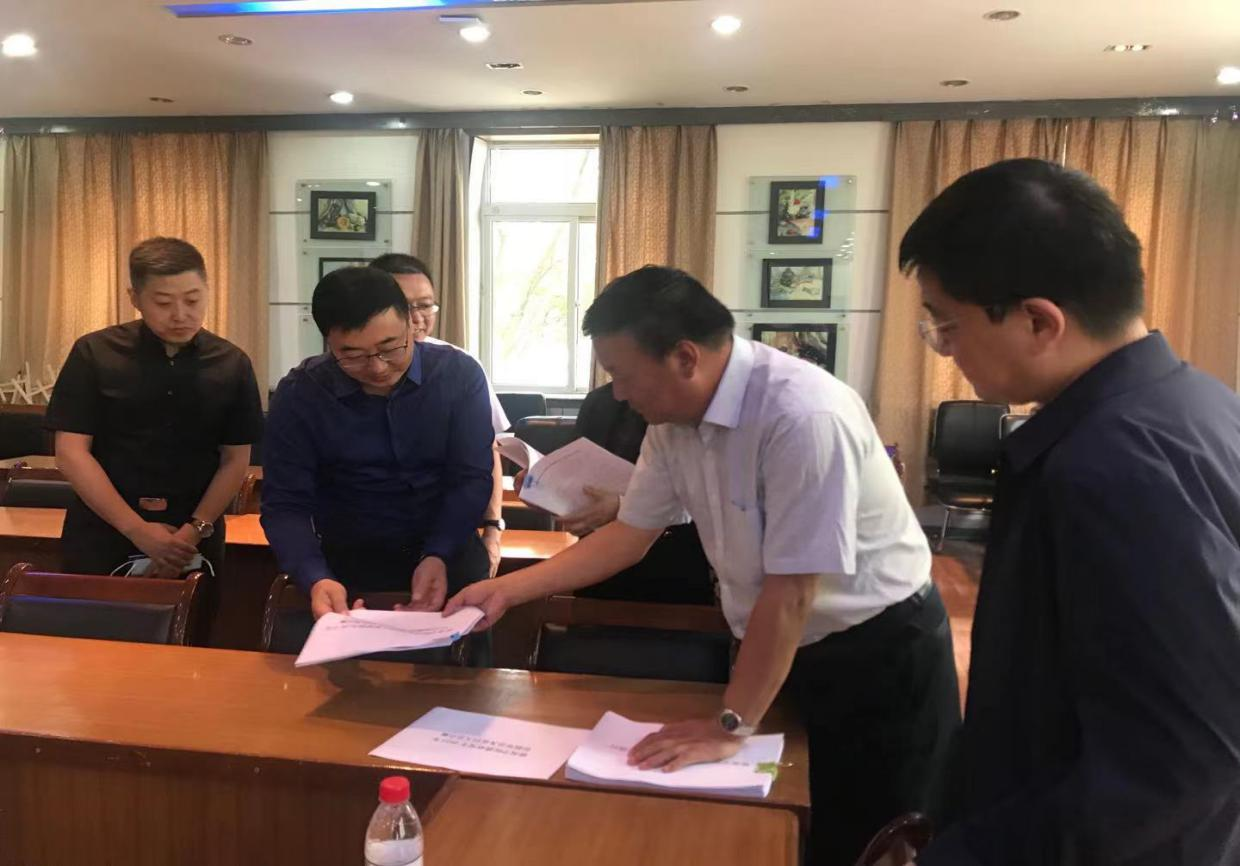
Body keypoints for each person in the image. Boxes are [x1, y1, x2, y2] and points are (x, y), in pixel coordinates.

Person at [445, 265, 960, 865]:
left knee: (877, 836)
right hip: (783, 644)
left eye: (623, 375)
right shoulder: (672, 424)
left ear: (685, 357)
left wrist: (728, 724)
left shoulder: (802, 415)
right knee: (793, 820)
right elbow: (628, 536)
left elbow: (792, 592)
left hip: (878, 652)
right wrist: (506, 591)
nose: (618, 394)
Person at [900, 158, 1240, 864]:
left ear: (1038, 321)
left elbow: (1172, 770)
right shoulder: (1196, 405)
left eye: (947, 324)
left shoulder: (1112, 466)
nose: (946, 349)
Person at [260, 266, 494, 622]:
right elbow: (285, 503)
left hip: (450, 559)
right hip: (347, 571)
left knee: (458, 658)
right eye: (353, 355)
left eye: (391, 347)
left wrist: (438, 553)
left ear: (411, 323)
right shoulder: (301, 395)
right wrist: (315, 576)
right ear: (328, 343)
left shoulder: (458, 376)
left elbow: (471, 478)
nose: (378, 367)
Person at [45, 236, 263, 580]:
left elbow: (235, 459)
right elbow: (71, 453)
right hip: (104, 530)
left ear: (207, 290)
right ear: (135, 298)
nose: (181, 315)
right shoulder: (94, 353)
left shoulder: (231, 363)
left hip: (194, 538)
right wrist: (138, 530)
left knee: (193, 616)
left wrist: (194, 530)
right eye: (163, 303)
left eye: (193, 300)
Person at [370, 253, 509, 578]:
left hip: (452, 542)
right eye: (405, 307)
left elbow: (488, 452)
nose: (418, 318)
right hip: (369, 547)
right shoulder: (347, 367)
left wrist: (493, 529)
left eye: (425, 306)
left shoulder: (461, 368)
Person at [517, 380, 715, 605]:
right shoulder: (599, 401)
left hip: (674, 567)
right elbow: (577, 477)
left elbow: (697, 499)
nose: (620, 391)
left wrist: (622, 506)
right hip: (598, 566)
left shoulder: (686, 408)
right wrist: (545, 489)